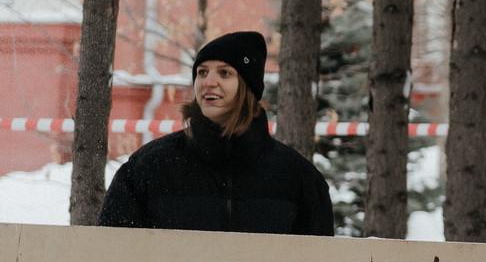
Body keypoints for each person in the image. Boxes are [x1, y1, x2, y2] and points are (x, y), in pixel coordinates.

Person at [99, 30, 335, 235]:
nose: (208, 82)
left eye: (224, 73)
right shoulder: (149, 167)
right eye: (202, 72)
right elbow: (114, 255)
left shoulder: (297, 178)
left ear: (248, 87)